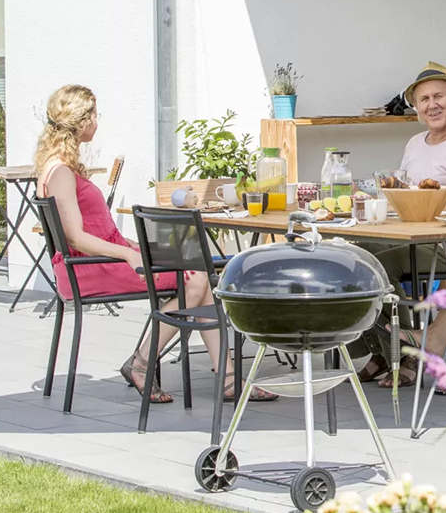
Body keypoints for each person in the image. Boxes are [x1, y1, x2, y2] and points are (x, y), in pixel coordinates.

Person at [34, 84, 275, 404]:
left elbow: (94, 231)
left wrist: (135, 247)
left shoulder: (56, 165)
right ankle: (147, 363)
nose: (97, 121)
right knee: (197, 279)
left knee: (197, 272)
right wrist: (126, 252)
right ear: (81, 121)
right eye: (94, 114)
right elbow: (76, 238)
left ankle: (224, 374)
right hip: (89, 270)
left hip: (99, 261)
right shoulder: (61, 172)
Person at [351, 62, 446, 387]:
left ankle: (405, 356)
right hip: (413, 237)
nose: (432, 105)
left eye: (439, 96)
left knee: (378, 266)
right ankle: (381, 352)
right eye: (424, 99)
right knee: (356, 258)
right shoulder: (415, 143)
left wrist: (427, 199)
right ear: (416, 108)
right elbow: (402, 193)